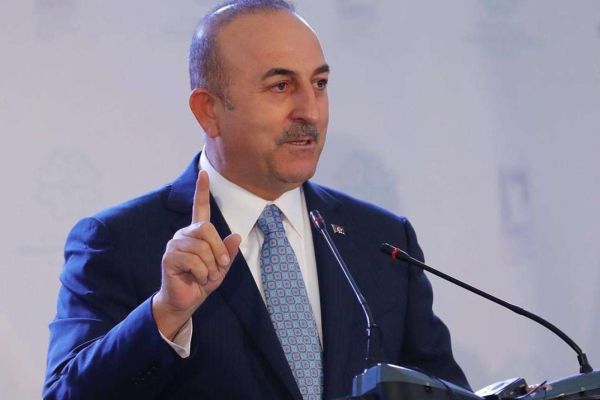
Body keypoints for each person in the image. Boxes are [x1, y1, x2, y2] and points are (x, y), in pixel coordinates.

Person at [44, 1, 470, 399]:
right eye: (281, 86)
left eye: (319, 84)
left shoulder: (381, 240)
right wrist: (165, 315)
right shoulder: (119, 241)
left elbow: (443, 389)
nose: (311, 112)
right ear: (209, 110)